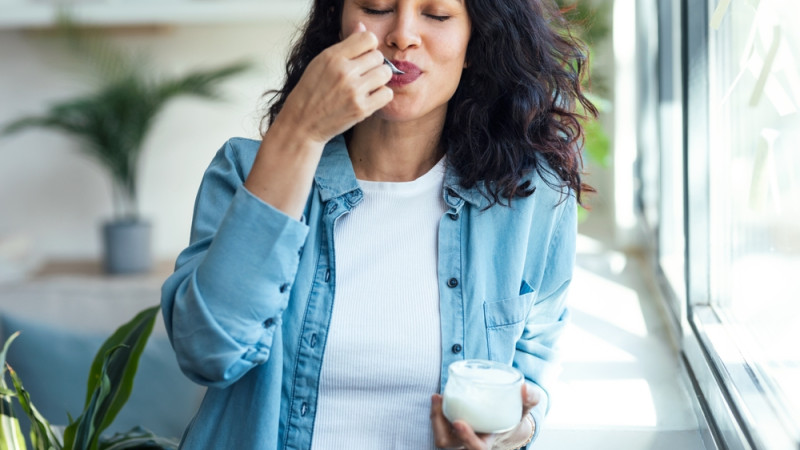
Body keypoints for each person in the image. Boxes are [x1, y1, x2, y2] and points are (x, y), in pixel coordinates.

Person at [161, 0, 595, 448]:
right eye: (377, 6)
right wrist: (299, 131)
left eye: (438, 14)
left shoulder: (532, 198)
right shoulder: (245, 171)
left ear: (475, 41)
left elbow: (533, 366)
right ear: (339, 25)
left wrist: (514, 429)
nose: (402, 35)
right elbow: (207, 353)